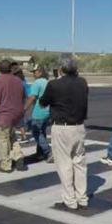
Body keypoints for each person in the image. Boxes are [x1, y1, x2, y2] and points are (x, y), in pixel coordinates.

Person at [39, 57, 89, 210]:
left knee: (64, 164)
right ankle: (82, 198)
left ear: (61, 69)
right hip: (79, 126)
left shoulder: (54, 84)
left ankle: (70, 200)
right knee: (79, 163)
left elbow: (43, 102)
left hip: (62, 127)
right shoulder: (82, 82)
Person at [0, 59, 27, 173]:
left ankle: (5, 165)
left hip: (4, 115)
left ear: (0, 69)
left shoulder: (0, 80)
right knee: (12, 137)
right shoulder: (18, 80)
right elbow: (23, 97)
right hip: (17, 114)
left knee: (1, 139)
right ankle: (19, 156)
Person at [24, 66, 52, 162]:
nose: (33, 74)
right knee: (42, 132)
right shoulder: (48, 82)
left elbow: (32, 97)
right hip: (48, 112)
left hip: (39, 112)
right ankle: (40, 153)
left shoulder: (37, 83)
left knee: (36, 132)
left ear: (40, 72)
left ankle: (48, 152)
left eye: (35, 72)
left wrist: (24, 109)